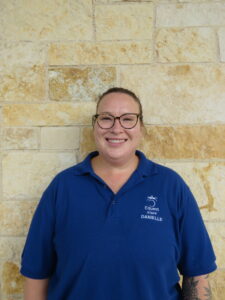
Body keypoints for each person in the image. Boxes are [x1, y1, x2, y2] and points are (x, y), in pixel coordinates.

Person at [21, 87, 217, 300]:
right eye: (106, 118)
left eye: (127, 119)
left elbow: (196, 274)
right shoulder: (63, 187)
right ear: (95, 126)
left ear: (141, 127)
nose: (116, 128)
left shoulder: (170, 186)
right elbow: (36, 275)